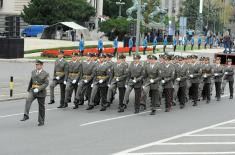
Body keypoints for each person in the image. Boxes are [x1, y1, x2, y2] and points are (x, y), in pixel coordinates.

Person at [21, 60, 49, 126]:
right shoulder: (33, 72)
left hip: (41, 92)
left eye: (38, 65)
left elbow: (46, 83)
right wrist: (29, 89)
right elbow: (31, 81)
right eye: (36, 65)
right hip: (33, 91)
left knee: (41, 107)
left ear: (42, 65)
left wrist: (38, 89)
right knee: (28, 99)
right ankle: (26, 115)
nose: (37, 66)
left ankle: (41, 121)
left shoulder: (45, 73)